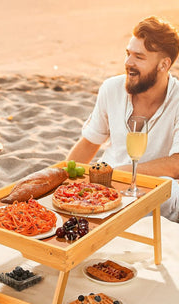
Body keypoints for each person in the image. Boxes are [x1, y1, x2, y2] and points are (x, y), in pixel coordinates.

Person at [67, 16, 179, 222]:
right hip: (106, 183)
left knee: (169, 192)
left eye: (139, 57)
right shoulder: (111, 88)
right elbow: (90, 142)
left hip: (151, 186)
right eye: (128, 54)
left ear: (164, 65)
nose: (128, 63)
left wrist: (120, 173)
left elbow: (176, 165)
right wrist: (64, 179)